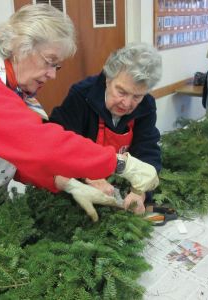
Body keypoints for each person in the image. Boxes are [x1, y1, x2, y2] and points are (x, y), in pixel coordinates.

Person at [0, 4, 159, 261]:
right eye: (50, 62)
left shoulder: (14, 86)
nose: (52, 75)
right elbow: (40, 143)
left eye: (56, 67)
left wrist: (66, 183)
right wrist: (118, 163)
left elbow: (16, 154)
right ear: (20, 45)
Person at [50, 43, 162, 214]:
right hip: (80, 193)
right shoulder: (81, 96)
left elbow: (147, 149)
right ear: (108, 79)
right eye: (121, 92)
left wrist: (140, 192)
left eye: (137, 96)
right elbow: (59, 146)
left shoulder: (146, 105)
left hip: (117, 186)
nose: (126, 103)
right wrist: (88, 175)